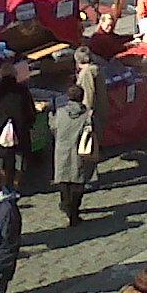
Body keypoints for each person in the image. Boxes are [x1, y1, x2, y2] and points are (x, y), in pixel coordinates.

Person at [0, 60, 36, 194]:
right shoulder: (22, 90)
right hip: (20, 130)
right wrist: (27, 123)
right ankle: (16, 186)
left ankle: (0, 186)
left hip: (0, 129)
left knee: (0, 160)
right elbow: (30, 111)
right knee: (19, 160)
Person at [51, 85, 94, 227]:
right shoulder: (87, 115)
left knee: (63, 179)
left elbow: (53, 127)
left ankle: (65, 203)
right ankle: (73, 211)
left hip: (61, 150)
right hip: (78, 150)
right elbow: (92, 131)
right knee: (78, 181)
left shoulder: (60, 112)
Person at [74, 46, 106, 147]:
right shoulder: (96, 68)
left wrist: (86, 113)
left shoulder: (86, 74)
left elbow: (88, 95)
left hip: (93, 111)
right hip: (101, 106)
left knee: (90, 139)